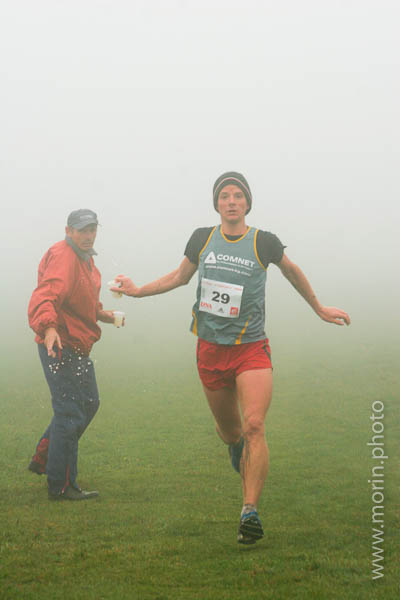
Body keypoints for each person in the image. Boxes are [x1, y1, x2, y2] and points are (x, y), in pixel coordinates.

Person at [112, 172, 351, 543]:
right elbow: (179, 277)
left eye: (238, 195)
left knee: (255, 424)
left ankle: (249, 511)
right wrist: (137, 291)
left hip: (251, 350)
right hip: (209, 349)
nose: (232, 201)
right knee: (232, 432)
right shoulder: (202, 238)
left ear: (248, 202)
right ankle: (236, 448)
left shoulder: (264, 242)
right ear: (217, 204)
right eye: (225, 195)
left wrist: (319, 308)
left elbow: (293, 272)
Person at [28, 209, 117, 501]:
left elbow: (82, 302)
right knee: (70, 411)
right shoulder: (64, 257)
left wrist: (104, 315)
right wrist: (49, 328)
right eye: (82, 230)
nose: (88, 235)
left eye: (92, 229)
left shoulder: (86, 260)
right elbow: (47, 295)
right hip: (59, 343)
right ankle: (62, 485)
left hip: (77, 344)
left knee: (89, 403)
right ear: (69, 231)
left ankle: (46, 457)